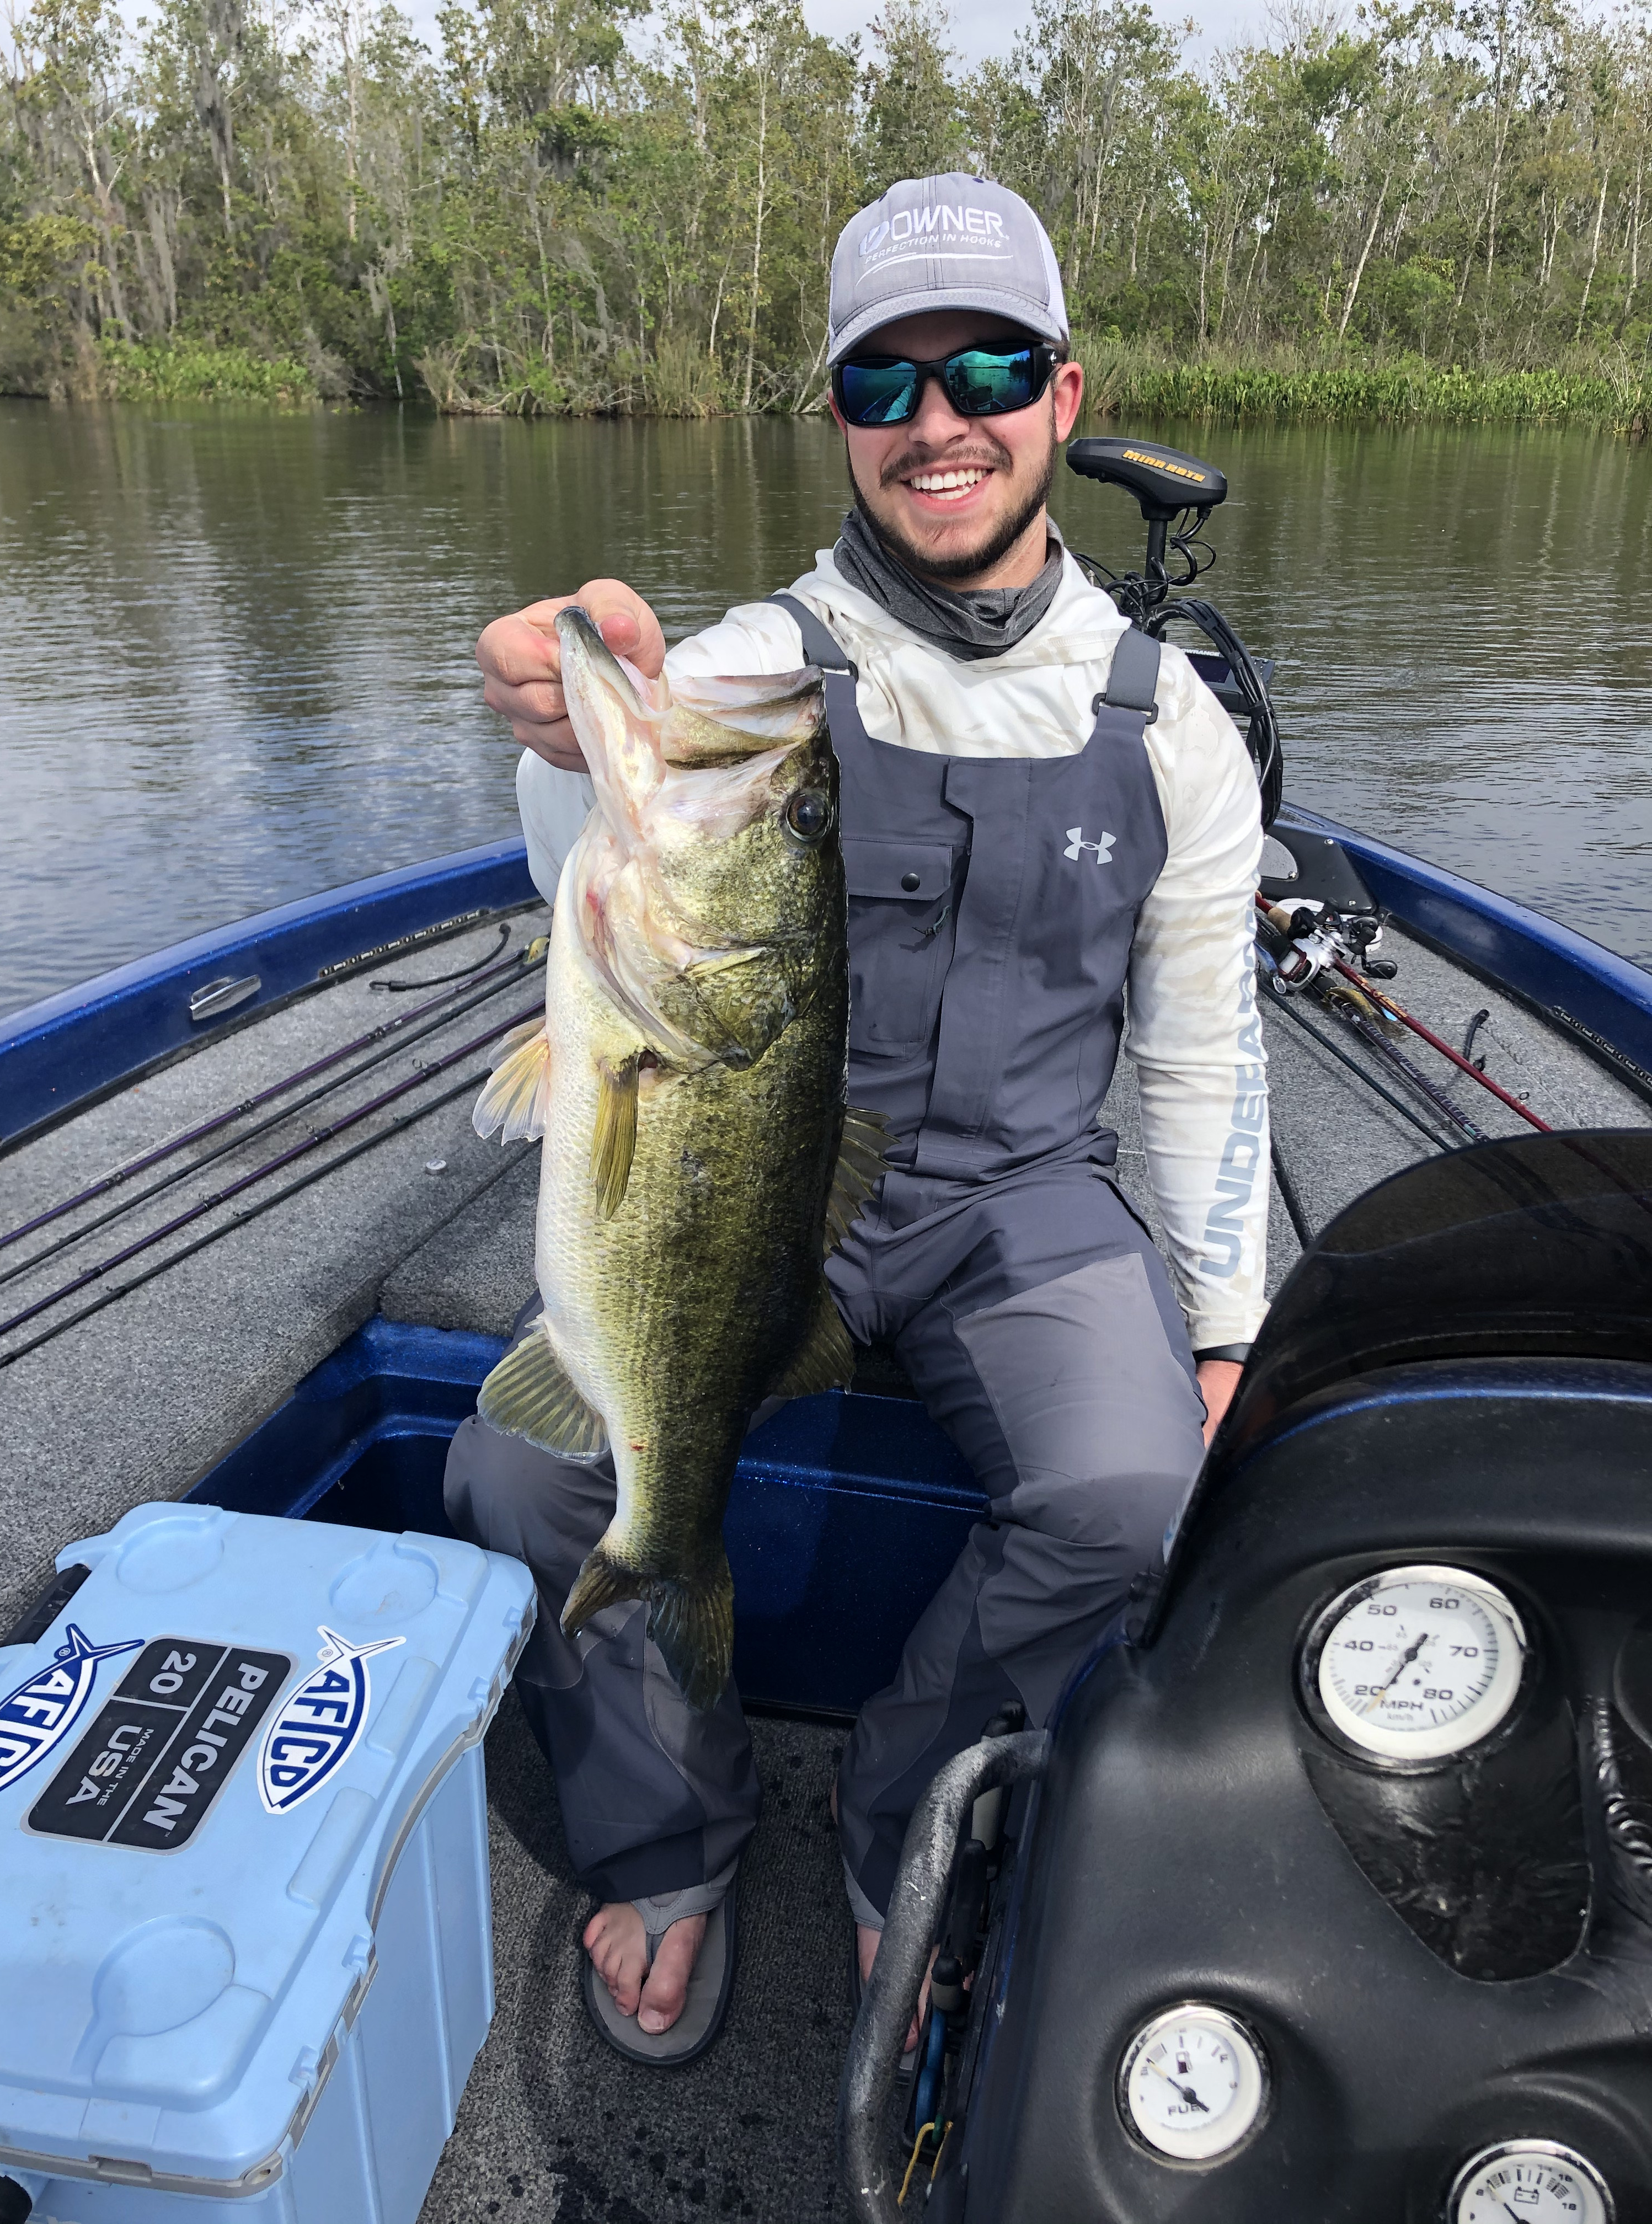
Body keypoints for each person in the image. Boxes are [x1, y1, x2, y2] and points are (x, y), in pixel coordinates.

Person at [448, 172, 1269, 2060]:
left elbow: (1204, 1053)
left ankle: (903, 1815)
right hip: (760, 1188)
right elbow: (604, 834)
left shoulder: (1176, 728)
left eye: (989, 369)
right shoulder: (756, 671)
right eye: (884, 382)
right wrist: (564, 713)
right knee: (515, 1474)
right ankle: (665, 1837)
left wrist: (1225, 1330)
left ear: (1065, 395)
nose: (937, 421)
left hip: (1023, 1195)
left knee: (1138, 1496)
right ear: (836, 414)